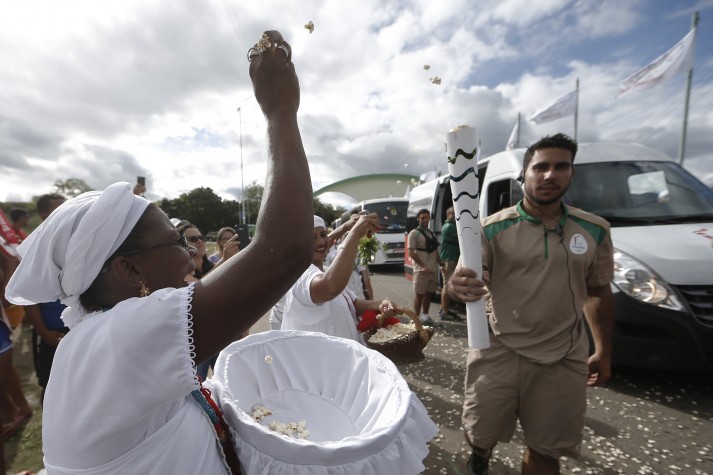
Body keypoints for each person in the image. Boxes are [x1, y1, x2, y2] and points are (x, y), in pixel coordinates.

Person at [4, 30, 313, 474]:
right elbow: (284, 249)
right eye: (174, 241)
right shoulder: (119, 338)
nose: (191, 256)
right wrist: (280, 111)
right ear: (128, 269)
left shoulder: (101, 335)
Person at [447, 133, 614, 475]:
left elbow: (598, 291)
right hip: (498, 349)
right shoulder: (491, 228)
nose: (551, 175)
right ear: (524, 175)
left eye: (561, 167)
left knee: (546, 450)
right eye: (541, 167)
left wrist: (603, 349)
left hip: (563, 355)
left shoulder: (594, 229)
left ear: (572, 173)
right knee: (480, 430)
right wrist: (456, 284)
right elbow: (464, 276)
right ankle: (481, 454)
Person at [280, 214, 397, 343]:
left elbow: (352, 304)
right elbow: (330, 288)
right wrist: (354, 234)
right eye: (311, 237)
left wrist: (380, 304)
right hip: (319, 360)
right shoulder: (299, 274)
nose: (320, 242)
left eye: (323, 234)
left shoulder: (325, 269)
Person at [22, 194, 67, 403]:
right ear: (44, 215)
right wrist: (44, 333)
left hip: (75, 327)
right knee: (49, 386)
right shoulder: (32, 249)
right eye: (60, 208)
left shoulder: (74, 244)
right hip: (51, 331)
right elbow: (29, 298)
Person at [407, 209, 444, 327]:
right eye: (422, 218)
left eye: (427, 217)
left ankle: (425, 317)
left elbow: (435, 251)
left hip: (433, 268)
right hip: (421, 270)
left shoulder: (431, 233)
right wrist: (423, 266)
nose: (425, 220)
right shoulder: (414, 233)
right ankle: (416, 320)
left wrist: (441, 264)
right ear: (418, 218)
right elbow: (411, 252)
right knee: (419, 294)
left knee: (429, 294)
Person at [438, 207, 462, 322]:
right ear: (448, 215)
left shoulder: (451, 226)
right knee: (447, 285)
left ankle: (444, 309)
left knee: (447, 285)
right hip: (449, 259)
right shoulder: (449, 227)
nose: (455, 215)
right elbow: (462, 237)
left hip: (451, 258)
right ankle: (445, 311)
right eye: (453, 213)